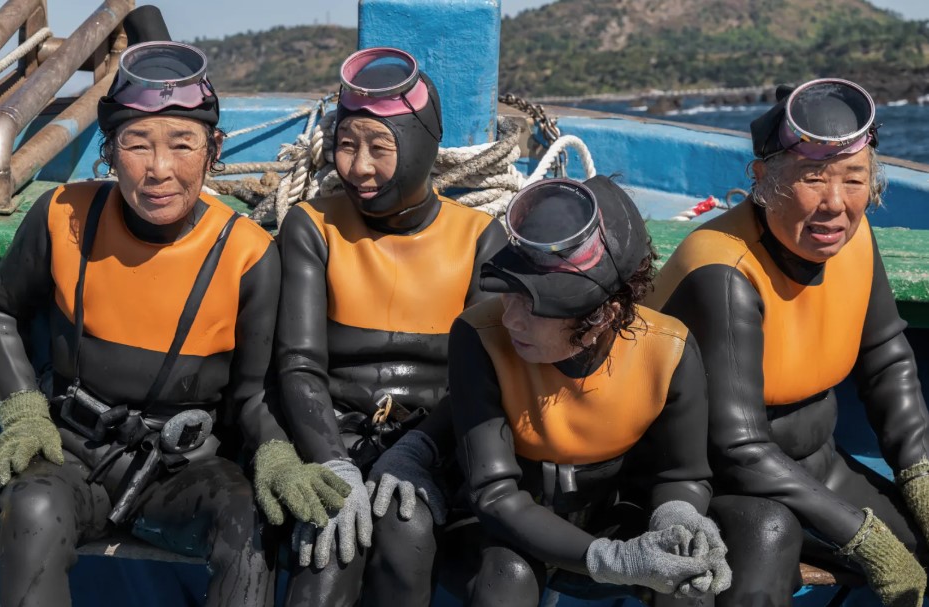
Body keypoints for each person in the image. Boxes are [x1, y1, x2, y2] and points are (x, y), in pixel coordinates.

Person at [0, 7, 349, 607]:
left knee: (250, 524)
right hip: (68, 450)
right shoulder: (61, 217)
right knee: (29, 507)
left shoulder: (247, 255)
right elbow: (2, 311)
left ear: (213, 150)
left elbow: (254, 393)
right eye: (136, 144)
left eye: (182, 144)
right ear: (108, 153)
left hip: (183, 470)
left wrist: (275, 454)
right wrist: (23, 405)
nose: (159, 170)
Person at [646, 78, 929, 607]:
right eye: (812, 178)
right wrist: (861, 538)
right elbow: (739, 448)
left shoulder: (853, 236)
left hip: (819, 467)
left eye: (853, 180)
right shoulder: (724, 270)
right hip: (710, 482)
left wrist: (920, 473)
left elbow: (887, 360)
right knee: (769, 536)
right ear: (764, 179)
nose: (834, 205)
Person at [275, 47, 508, 606]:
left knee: (407, 530)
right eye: (347, 145)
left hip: (436, 443)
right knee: (325, 553)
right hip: (335, 435)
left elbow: (478, 378)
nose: (359, 167)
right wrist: (332, 462)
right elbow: (298, 365)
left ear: (423, 144)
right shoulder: (313, 227)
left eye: (379, 147)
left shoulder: (480, 239)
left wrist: (418, 451)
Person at [446, 176, 732, 607]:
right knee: (507, 576)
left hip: (605, 513)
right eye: (510, 293)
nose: (511, 320)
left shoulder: (668, 349)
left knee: (686, 582)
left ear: (604, 315)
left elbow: (681, 474)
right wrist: (609, 559)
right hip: (499, 530)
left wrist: (680, 517)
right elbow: (494, 495)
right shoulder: (478, 336)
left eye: (535, 305)